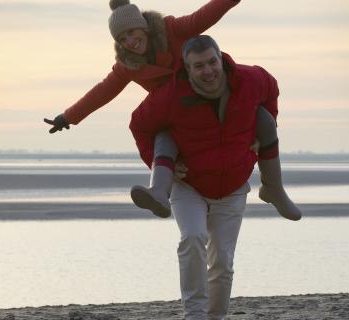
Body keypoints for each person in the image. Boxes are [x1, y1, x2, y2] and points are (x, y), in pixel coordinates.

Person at [44, 0, 300, 221]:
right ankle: (158, 192)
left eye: (132, 33)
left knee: (264, 119)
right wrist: (69, 116)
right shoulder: (128, 65)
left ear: (143, 25)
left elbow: (206, 15)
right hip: (180, 115)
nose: (130, 42)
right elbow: (103, 91)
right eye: (123, 39)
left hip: (215, 94)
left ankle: (273, 188)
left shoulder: (173, 30)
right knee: (163, 136)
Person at [129, 35, 298, 320]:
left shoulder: (251, 79)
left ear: (221, 58)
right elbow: (139, 124)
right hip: (189, 184)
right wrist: (155, 163)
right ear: (187, 68)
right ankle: (194, 315)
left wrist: (263, 127)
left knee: (222, 259)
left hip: (232, 185)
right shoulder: (171, 94)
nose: (208, 71)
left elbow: (272, 89)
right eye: (199, 66)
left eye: (212, 62)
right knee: (193, 237)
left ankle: (215, 317)